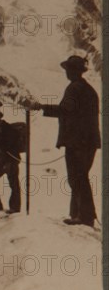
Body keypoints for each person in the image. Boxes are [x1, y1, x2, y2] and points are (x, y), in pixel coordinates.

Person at [24, 55, 100, 227]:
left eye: (68, 70)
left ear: (74, 71)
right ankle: (78, 215)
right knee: (80, 177)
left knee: (77, 178)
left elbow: (65, 111)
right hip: (88, 141)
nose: (66, 73)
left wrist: (41, 106)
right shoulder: (88, 89)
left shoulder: (74, 89)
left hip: (77, 142)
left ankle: (85, 217)